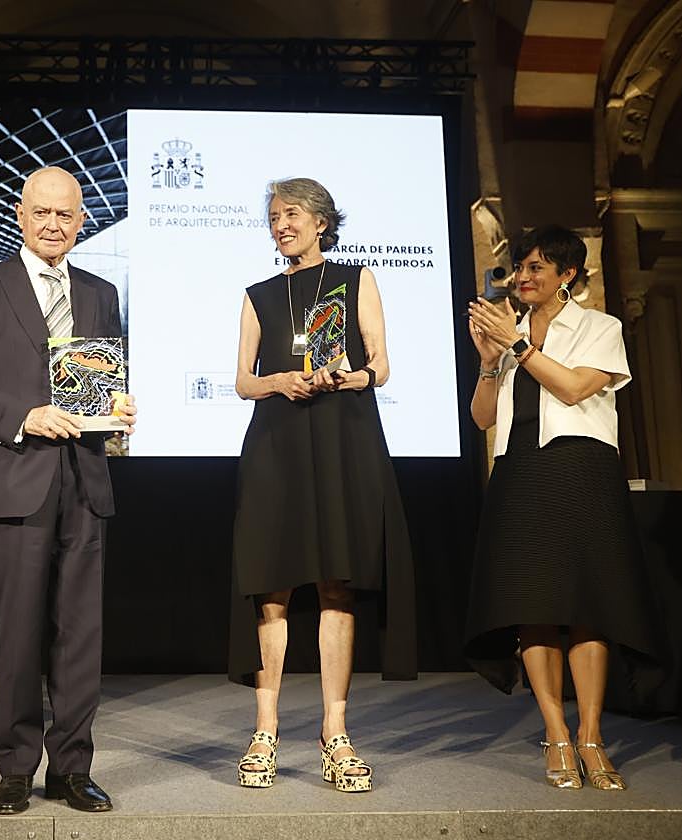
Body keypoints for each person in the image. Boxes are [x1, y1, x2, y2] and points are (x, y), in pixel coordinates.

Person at [0, 166, 136, 815]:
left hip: (86, 482)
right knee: (19, 633)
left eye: (66, 215)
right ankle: (16, 768)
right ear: (20, 216)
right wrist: (25, 417)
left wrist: (119, 406)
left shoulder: (102, 292)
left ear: (82, 223)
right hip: (16, 481)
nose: (54, 224)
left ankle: (72, 769)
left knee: (82, 635)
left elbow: (100, 378)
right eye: (42, 212)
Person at [228, 177, 416, 793]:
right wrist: (279, 379)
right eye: (275, 216)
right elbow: (242, 383)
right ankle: (265, 729)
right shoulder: (257, 294)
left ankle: (336, 732)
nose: (281, 225)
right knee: (272, 586)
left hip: (343, 438)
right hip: (278, 445)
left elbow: (381, 366)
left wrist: (348, 378)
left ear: (322, 222)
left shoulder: (356, 280)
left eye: (292, 215)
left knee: (338, 582)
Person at [464, 225, 662, 790]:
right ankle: (555, 732)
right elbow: (483, 418)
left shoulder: (600, 327)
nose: (521, 279)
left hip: (580, 472)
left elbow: (575, 390)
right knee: (534, 605)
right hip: (520, 472)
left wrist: (520, 349)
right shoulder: (509, 336)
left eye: (534, 269)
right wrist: (487, 360)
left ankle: (591, 736)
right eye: (517, 269)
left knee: (587, 605)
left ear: (566, 276)